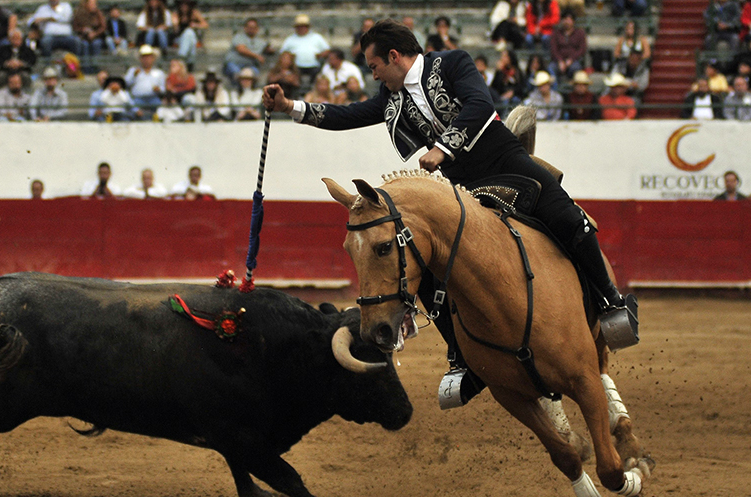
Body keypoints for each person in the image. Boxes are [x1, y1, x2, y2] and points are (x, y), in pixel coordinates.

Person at [261, 18, 636, 407]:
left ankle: (609, 301)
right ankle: (461, 358)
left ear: (394, 56)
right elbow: (349, 115)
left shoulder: (452, 63)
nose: (374, 76)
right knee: (427, 265)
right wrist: (290, 106)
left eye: (374, 66)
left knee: (570, 219)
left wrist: (443, 148)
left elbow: (480, 105)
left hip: (506, 164)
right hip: (464, 188)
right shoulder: (391, 98)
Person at [280, 14, 330, 89]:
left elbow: (327, 50)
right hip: (296, 67)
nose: (301, 28)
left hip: (314, 65)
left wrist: (320, 55)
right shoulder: (290, 39)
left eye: (303, 26)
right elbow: (283, 53)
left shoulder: (317, 37)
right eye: (299, 26)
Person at [222, 17, 274, 86]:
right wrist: (257, 56)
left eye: (254, 27)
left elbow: (269, 49)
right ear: (245, 28)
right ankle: (238, 89)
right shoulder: (238, 37)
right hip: (234, 64)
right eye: (249, 27)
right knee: (237, 73)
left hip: (250, 66)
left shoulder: (260, 42)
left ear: (257, 29)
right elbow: (241, 49)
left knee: (255, 73)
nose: (251, 29)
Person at [126, 44, 166, 117]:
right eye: (144, 57)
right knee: (132, 107)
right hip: (138, 99)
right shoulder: (133, 70)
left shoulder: (159, 72)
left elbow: (163, 88)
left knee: (161, 107)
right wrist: (133, 75)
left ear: (153, 59)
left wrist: (159, 89)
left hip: (153, 98)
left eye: (148, 57)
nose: (146, 60)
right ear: (140, 59)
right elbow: (126, 84)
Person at [548, 10, 586, 82]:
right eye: (565, 19)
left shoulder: (580, 33)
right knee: (551, 68)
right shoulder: (556, 33)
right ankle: (554, 87)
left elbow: (582, 49)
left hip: (574, 60)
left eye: (569, 20)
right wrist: (560, 60)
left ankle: (573, 86)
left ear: (573, 21)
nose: (567, 22)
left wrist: (571, 59)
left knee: (575, 68)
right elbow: (553, 49)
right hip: (558, 61)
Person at [171, 0, 207, 71]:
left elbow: (205, 25)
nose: (184, 7)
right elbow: (175, 31)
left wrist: (196, 25)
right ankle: (190, 62)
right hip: (179, 39)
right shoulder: (176, 14)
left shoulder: (194, 13)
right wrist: (176, 24)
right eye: (182, 5)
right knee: (189, 35)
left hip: (193, 38)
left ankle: (182, 56)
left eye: (186, 5)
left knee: (190, 33)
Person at [490, 48, 527, 116]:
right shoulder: (500, 72)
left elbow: (522, 87)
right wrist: (498, 71)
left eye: (505, 56)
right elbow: (494, 87)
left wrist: (513, 92)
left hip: (515, 96)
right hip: (501, 97)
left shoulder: (517, 72)